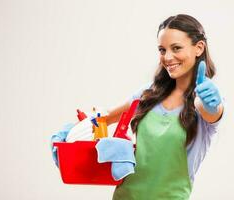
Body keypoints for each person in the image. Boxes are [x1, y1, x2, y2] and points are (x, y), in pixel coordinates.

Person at [51, 14, 224, 200]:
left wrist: (210, 103)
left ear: (199, 48)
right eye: (162, 49)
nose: (167, 57)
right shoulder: (148, 94)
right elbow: (105, 116)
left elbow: (212, 113)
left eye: (176, 48)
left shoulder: (205, 101)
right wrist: (72, 134)